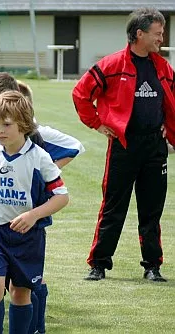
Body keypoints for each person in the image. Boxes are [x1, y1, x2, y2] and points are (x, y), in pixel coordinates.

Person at [73, 7, 175, 282]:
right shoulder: (111, 65)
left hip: (155, 147)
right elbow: (81, 94)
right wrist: (97, 122)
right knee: (113, 207)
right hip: (124, 146)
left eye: (162, 33)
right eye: (157, 33)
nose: (161, 38)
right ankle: (99, 264)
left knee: (152, 210)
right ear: (138, 34)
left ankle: (152, 266)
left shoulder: (163, 66)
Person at [0, 90, 69, 334]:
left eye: (6, 124)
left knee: (20, 293)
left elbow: (62, 197)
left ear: (24, 125)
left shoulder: (40, 158)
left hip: (27, 237)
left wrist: (33, 215)